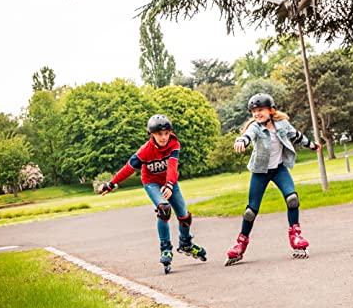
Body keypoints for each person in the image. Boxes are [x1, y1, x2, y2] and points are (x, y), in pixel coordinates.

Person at [98, 114, 207, 274]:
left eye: (166, 133)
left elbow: (172, 166)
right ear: (152, 135)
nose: (163, 138)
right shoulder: (145, 151)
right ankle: (165, 248)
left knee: (185, 217)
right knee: (164, 209)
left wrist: (170, 184)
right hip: (152, 183)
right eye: (159, 134)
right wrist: (111, 184)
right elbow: (128, 168)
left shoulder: (174, 144)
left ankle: (185, 243)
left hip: (170, 182)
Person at [225, 93, 322, 266]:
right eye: (254, 111)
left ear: (270, 110)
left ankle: (296, 236)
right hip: (260, 172)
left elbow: (297, 136)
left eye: (260, 110)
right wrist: (241, 140)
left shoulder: (282, 124)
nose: (257, 114)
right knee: (250, 211)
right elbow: (247, 135)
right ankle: (241, 243)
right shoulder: (255, 127)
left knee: (292, 199)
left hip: (279, 169)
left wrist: (312, 145)